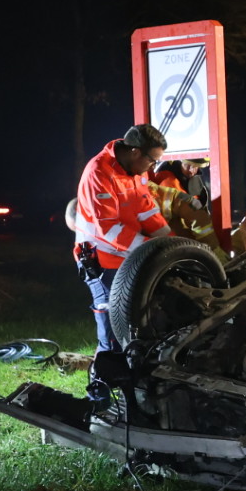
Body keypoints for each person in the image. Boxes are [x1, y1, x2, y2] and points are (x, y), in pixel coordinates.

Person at [74, 123, 173, 352]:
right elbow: (109, 230)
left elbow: (147, 211)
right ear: (135, 152)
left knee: (138, 323)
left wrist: (171, 243)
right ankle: (99, 387)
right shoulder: (98, 172)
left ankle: (134, 382)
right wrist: (153, 249)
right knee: (113, 333)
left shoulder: (137, 169)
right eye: (152, 160)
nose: (153, 166)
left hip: (128, 256)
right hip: (100, 259)